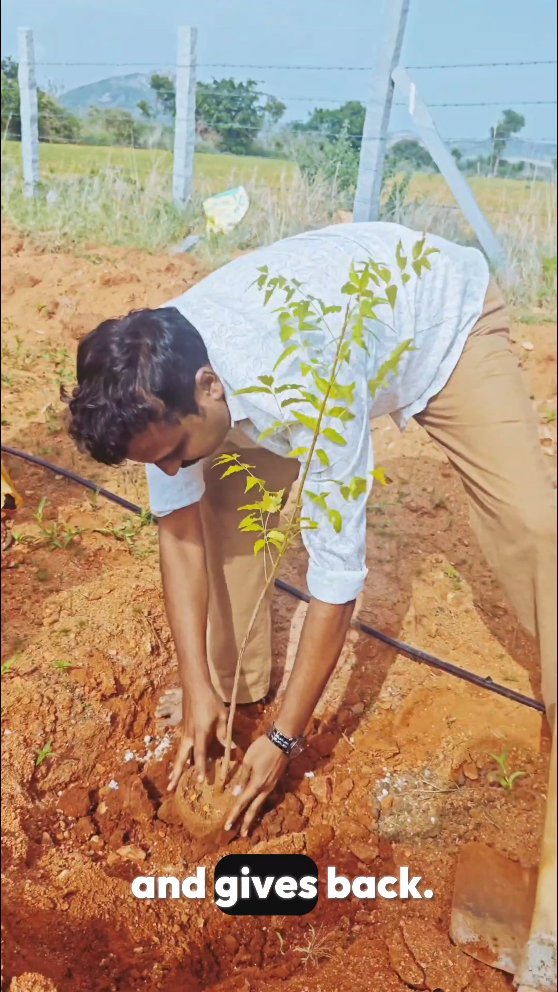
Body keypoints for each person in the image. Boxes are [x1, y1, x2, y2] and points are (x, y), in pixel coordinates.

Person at [67, 221, 556, 837]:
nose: (166, 470)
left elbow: (336, 576)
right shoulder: (154, 368)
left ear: (208, 387)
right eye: (154, 460)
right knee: (223, 507)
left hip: (439, 322)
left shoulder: (312, 383)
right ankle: (231, 689)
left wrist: (283, 737)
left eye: (172, 453)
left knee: (533, 521)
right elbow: (179, 531)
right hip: (294, 358)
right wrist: (196, 684)